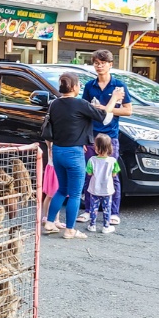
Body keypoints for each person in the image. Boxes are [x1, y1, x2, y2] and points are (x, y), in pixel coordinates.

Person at [43, 72, 123, 240]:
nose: (80, 86)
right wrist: (114, 98)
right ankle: (70, 230)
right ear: (74, 87)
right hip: (74, 153)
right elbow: (103, 117)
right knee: (74, 193)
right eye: (78, 84)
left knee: (61, 189)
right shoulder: (80, 104)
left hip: (57, 151)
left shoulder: (54, 104)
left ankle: (50, 222)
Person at [77, 50, 133, 227]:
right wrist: (84, 139)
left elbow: (128, 110)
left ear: (110, 64)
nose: (99, 66)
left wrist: (105, 108)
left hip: (110, 137)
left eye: (103, 63)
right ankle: (87, 210)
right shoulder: (89, 86)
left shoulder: (118, 86)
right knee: (89, 173)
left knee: (112, 174)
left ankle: (114, 213)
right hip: (92, 136)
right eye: (96, 63)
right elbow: (84, 112)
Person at [84, 134, 121, 234]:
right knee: (107, 208)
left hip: (94, 188)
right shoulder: (112, 161)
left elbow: (89, 173)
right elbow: (114, 174)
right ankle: (106, 226)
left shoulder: (92, 160)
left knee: (93, 207)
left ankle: (92, 225)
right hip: (107, 189)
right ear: (110, 148)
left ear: (96, 147)